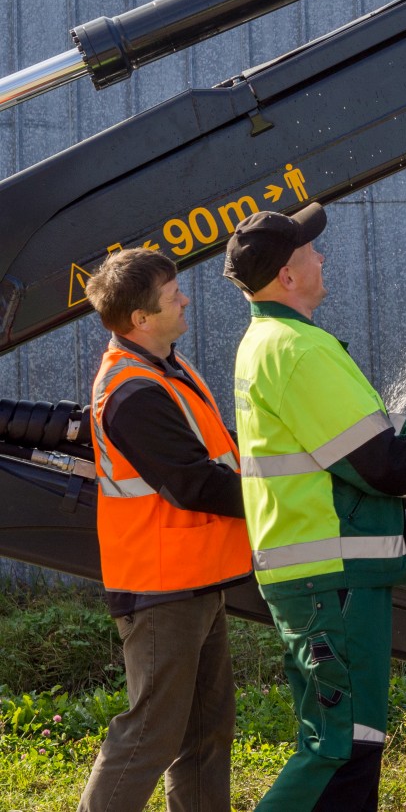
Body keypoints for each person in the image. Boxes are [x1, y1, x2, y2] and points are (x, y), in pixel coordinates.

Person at [222, 202, 406, 810]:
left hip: (321, 577)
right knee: (340, 748)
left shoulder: (272, 343)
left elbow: (366, 434)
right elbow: (377, 461)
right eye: (310, 252)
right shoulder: (299, 350)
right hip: (333, 580)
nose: (322, 257)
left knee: (347, 745)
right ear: (287, 275)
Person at [79, 248, 251, 812]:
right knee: (150, 735)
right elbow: (193, 484)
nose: (186, 300)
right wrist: (285, 499)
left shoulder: (165, 368)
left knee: (206, 730)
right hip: (161, 586)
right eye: (174, 295)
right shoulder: (132, 390)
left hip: (194, 577)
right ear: (141, 319)